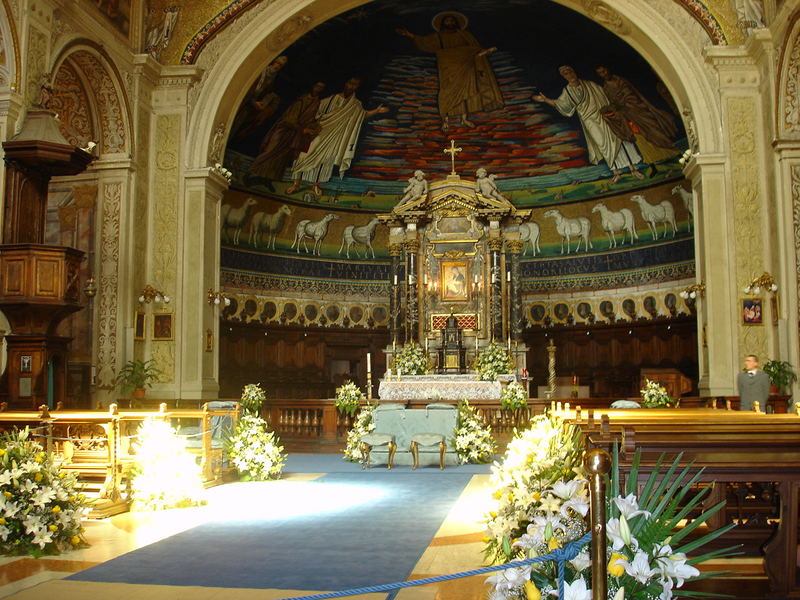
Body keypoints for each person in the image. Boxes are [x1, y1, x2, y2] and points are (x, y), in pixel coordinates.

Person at [533, 65, 644, 184]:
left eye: (570, 71)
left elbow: (605, 95)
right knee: (603, 145)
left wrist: (612, 109)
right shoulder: (568, 91)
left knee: (619, 139)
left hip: (604, 116)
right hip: (590, 120)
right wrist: (545, 100)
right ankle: (616, 172)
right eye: (565, 73)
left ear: (574, 72)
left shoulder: (589, 84)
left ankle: (633, 169)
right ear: (564, 77)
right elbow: (560, 104)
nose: (569, 74)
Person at [396, 11, 503, 132]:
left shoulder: (464, 35)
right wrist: (409, 35)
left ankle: (464, 119)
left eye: (452, 21)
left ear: (456, 23)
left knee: (466, 92)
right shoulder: (438, 36)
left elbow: (475, 48)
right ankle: (445, 121)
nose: (450, 22)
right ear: (442, 23)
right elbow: (424, 42)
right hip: (447, 67)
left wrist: (484, 52)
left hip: (465, 66)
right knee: (446, 93)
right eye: (447, 21)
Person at [285, 77, 389, 197]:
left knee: (326, 161)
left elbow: (362, 115)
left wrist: (376, 111)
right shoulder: (331, 99)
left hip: (335, 137)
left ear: (357, 87)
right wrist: (318, 122)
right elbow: (316, 112)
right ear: (346, 83)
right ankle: (296, 184)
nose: (352, 86)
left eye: (355, 85)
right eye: (350, 83)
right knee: (304, 156)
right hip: (320, 132)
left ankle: (316, 185)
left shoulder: (355, 104)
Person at [594, 65, 678, 177]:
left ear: (608, 70)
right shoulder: (606, 87)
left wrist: (623, 105)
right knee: (641, 141)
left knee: (655, 132)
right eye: (600, 73)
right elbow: (614, 102)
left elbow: (630, 95)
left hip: (638, 111)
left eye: (604, 71)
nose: (603, 74)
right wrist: (610, 110)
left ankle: (678, 157)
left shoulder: (620, 81)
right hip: (629, 117)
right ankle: (652, 166)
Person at [246, 81, 326, 192]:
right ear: (313, 86)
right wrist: (303, 129)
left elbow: (311, 119)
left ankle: (267, 180)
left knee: (281, 158)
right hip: (284, 129)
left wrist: (314, 128)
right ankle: (249, 174)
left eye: (321, 88)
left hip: (295, 134)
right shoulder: (301, 100)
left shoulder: (317, 103)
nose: (318, 89)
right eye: (317, 86)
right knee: (271, 150)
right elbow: (290, 118)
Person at [231, 56, 288, 141]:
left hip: (248, 108)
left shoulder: (272, 79)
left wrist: (261, 103)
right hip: (240, 103)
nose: (277, 67)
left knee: (236, 128)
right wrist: (252, 101)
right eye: (278, 63)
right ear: (273, 62)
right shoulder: (260, 71)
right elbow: (246, 88)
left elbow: (265, 94)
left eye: (280, 66)